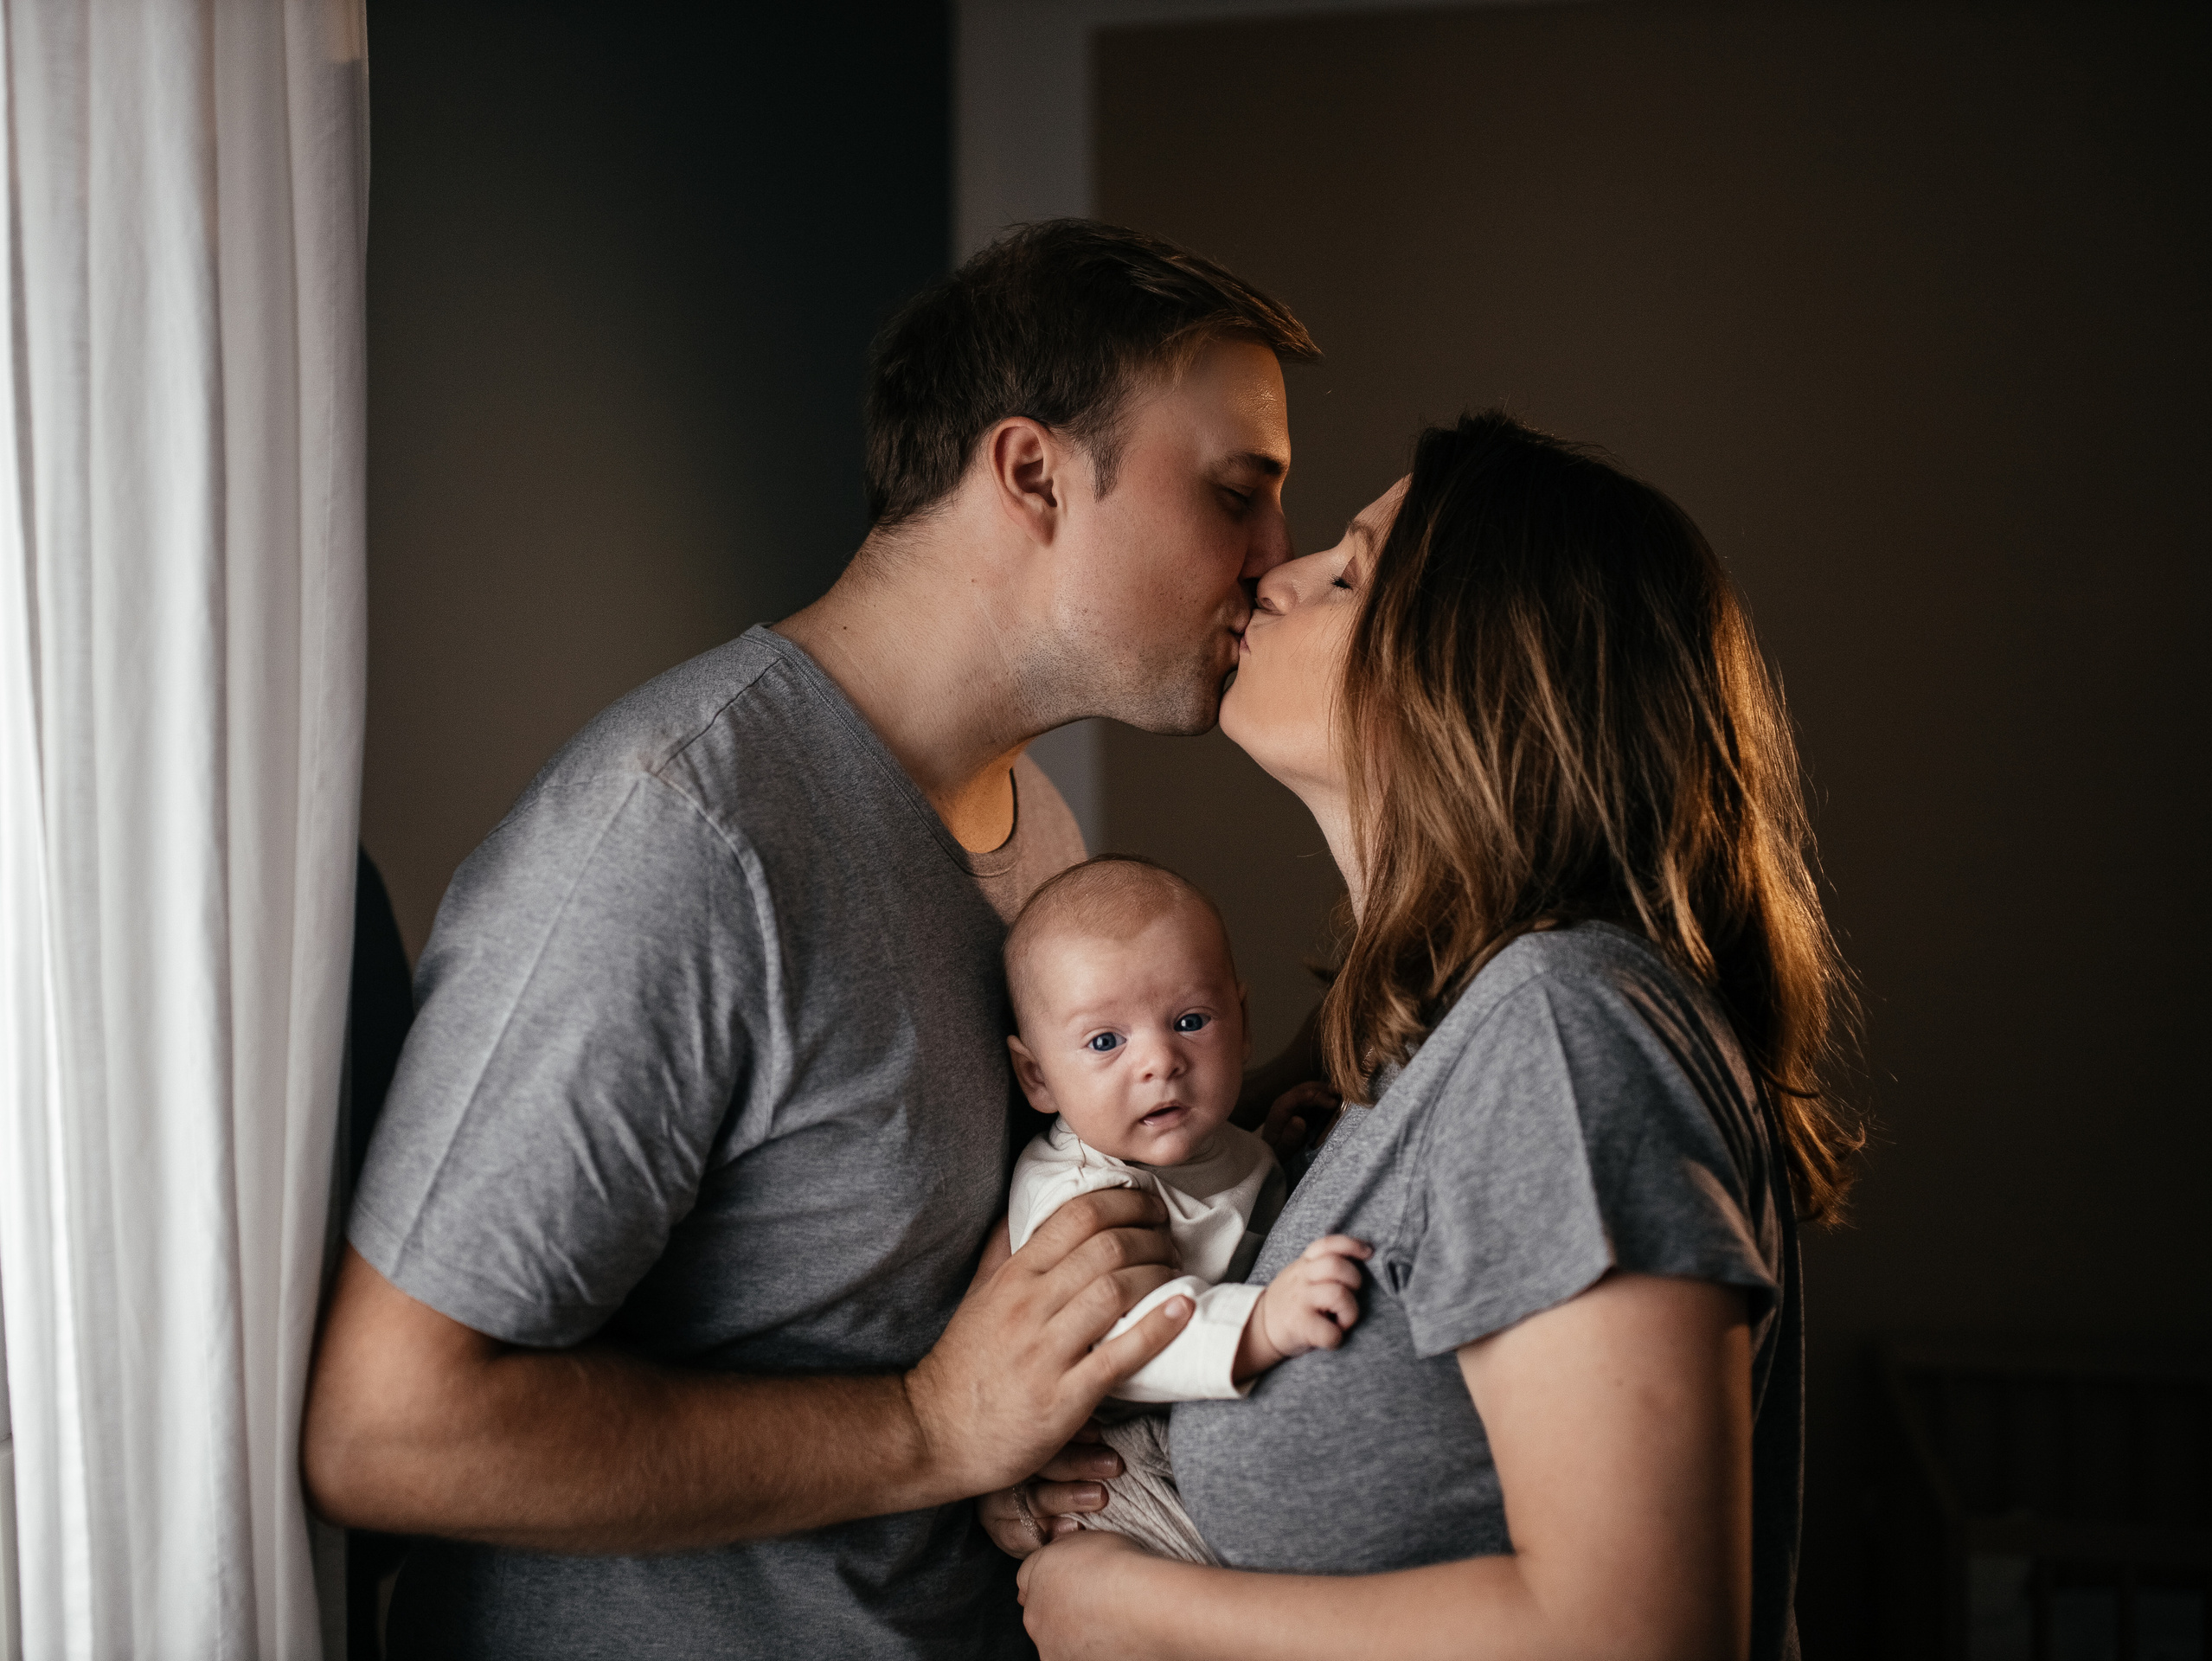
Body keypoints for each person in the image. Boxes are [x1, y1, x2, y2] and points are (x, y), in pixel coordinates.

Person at [300, 220, 1320, 1659]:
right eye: (1235, 492)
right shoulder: (679, 838)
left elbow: (947, 1305)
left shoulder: (1039, 834)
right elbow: (388, 1433)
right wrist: (925, 1430)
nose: (1276, 560)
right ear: (1033, 475)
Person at [1004, 410, 1862, 1661]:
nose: (1275, 573)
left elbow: (1643, 1634)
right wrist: (1094, 1472)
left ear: (1477, 678)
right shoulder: (1416, 1048)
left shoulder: (1562, 1027)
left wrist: (1138, 1609)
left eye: (1348, 578)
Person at [1000, 855, 1370, 1563]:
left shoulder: (1209, 1141)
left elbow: (1220, 1216)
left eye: (1190, 1021)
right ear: (1038, 1076)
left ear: (1243, 1023)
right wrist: (1262, 1323)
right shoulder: (1078, 1192)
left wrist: (1270, 1154)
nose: (1159, 1061)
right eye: (1105, 1041)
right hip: (1120, 1455)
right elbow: (1122, 1344)